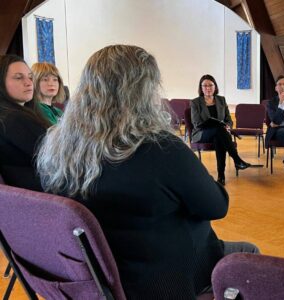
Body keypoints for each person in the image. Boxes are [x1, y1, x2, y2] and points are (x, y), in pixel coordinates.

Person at [36, 45, 258, 299]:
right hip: (170, 280)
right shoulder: (160, 148)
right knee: (248, 253)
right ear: (143, 92)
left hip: (101, 282)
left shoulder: (57, 148)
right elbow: (217, 206)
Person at [0, 55, 49, 191]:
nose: (28, 83)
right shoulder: (13, 118)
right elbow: (55, 158)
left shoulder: (19, 113)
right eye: (18, 77)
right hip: (44, 193)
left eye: (30, 77)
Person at [190, 74, 251, 186]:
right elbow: (196, 123)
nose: (208, 88)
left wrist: (228, 126)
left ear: (215, 86)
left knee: (219, 137)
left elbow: (229, 120)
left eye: (210, 85)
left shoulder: (221, 100)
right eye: (205, 85)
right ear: (201, 88)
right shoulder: (195, 102)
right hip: (202, 133)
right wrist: (216, 125)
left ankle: (221, 176)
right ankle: (237, 160)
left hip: (219, 133)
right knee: (219, 129)